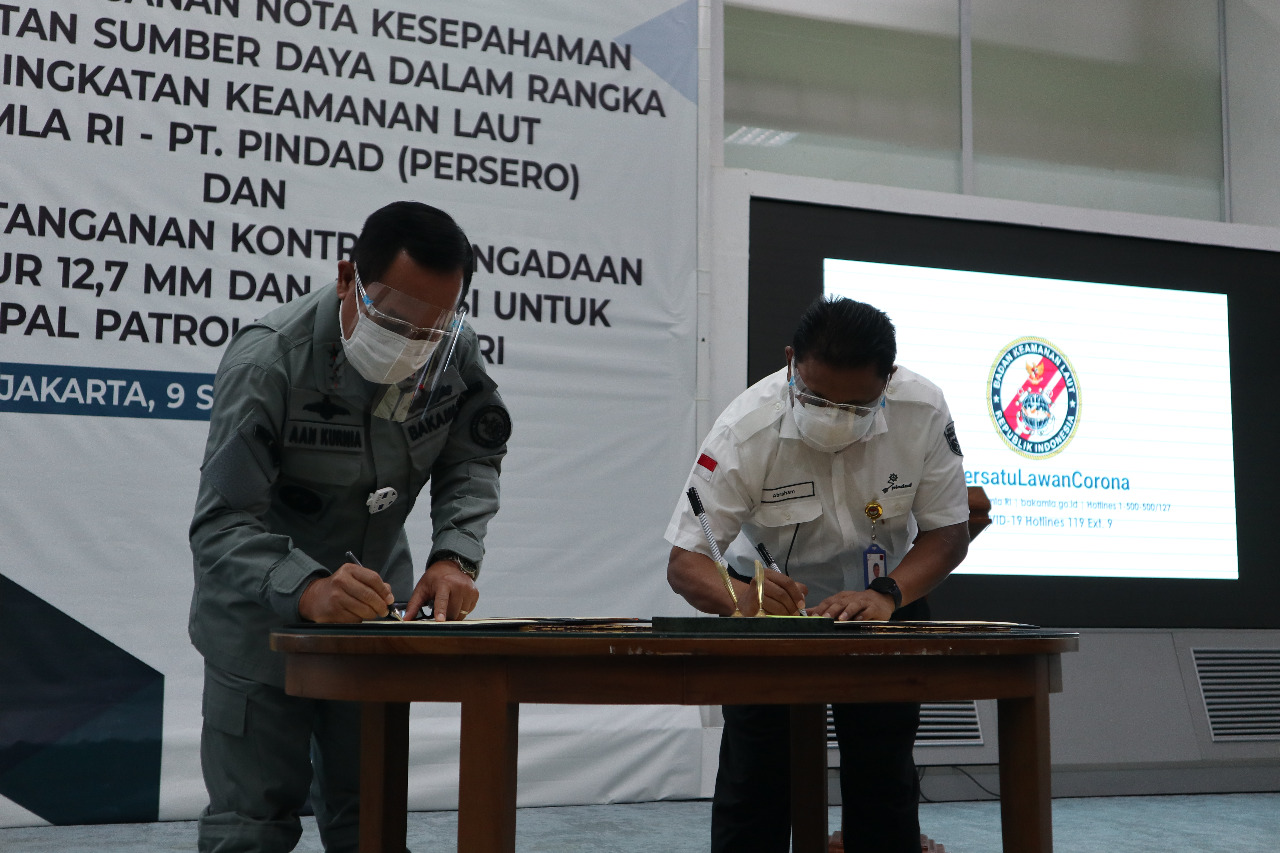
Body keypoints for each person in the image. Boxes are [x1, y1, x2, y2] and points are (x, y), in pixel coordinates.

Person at [188, 201, 510, 853]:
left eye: (432, 328)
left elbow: (473, 452)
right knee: (251, 825)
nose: (412, 341)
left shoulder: (453, 352)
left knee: (372, 818)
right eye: (393, 319)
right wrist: (306, 588)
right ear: (346, 279)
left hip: (371, 613)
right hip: (259, 621)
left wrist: (455, 555)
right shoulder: (269, 360)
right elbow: (220, 525)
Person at [664, 296, 969, 852]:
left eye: (856, 407)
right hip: (768, 619)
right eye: (815, 397)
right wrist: (743, 596)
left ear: (888, 380)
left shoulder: (922, 411)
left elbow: (948, 535)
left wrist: (888, 594)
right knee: (754, 783)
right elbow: (685, 563)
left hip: (883, 610)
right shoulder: (745, 428)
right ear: (789, 362)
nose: (833, 416)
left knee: (884, 780)